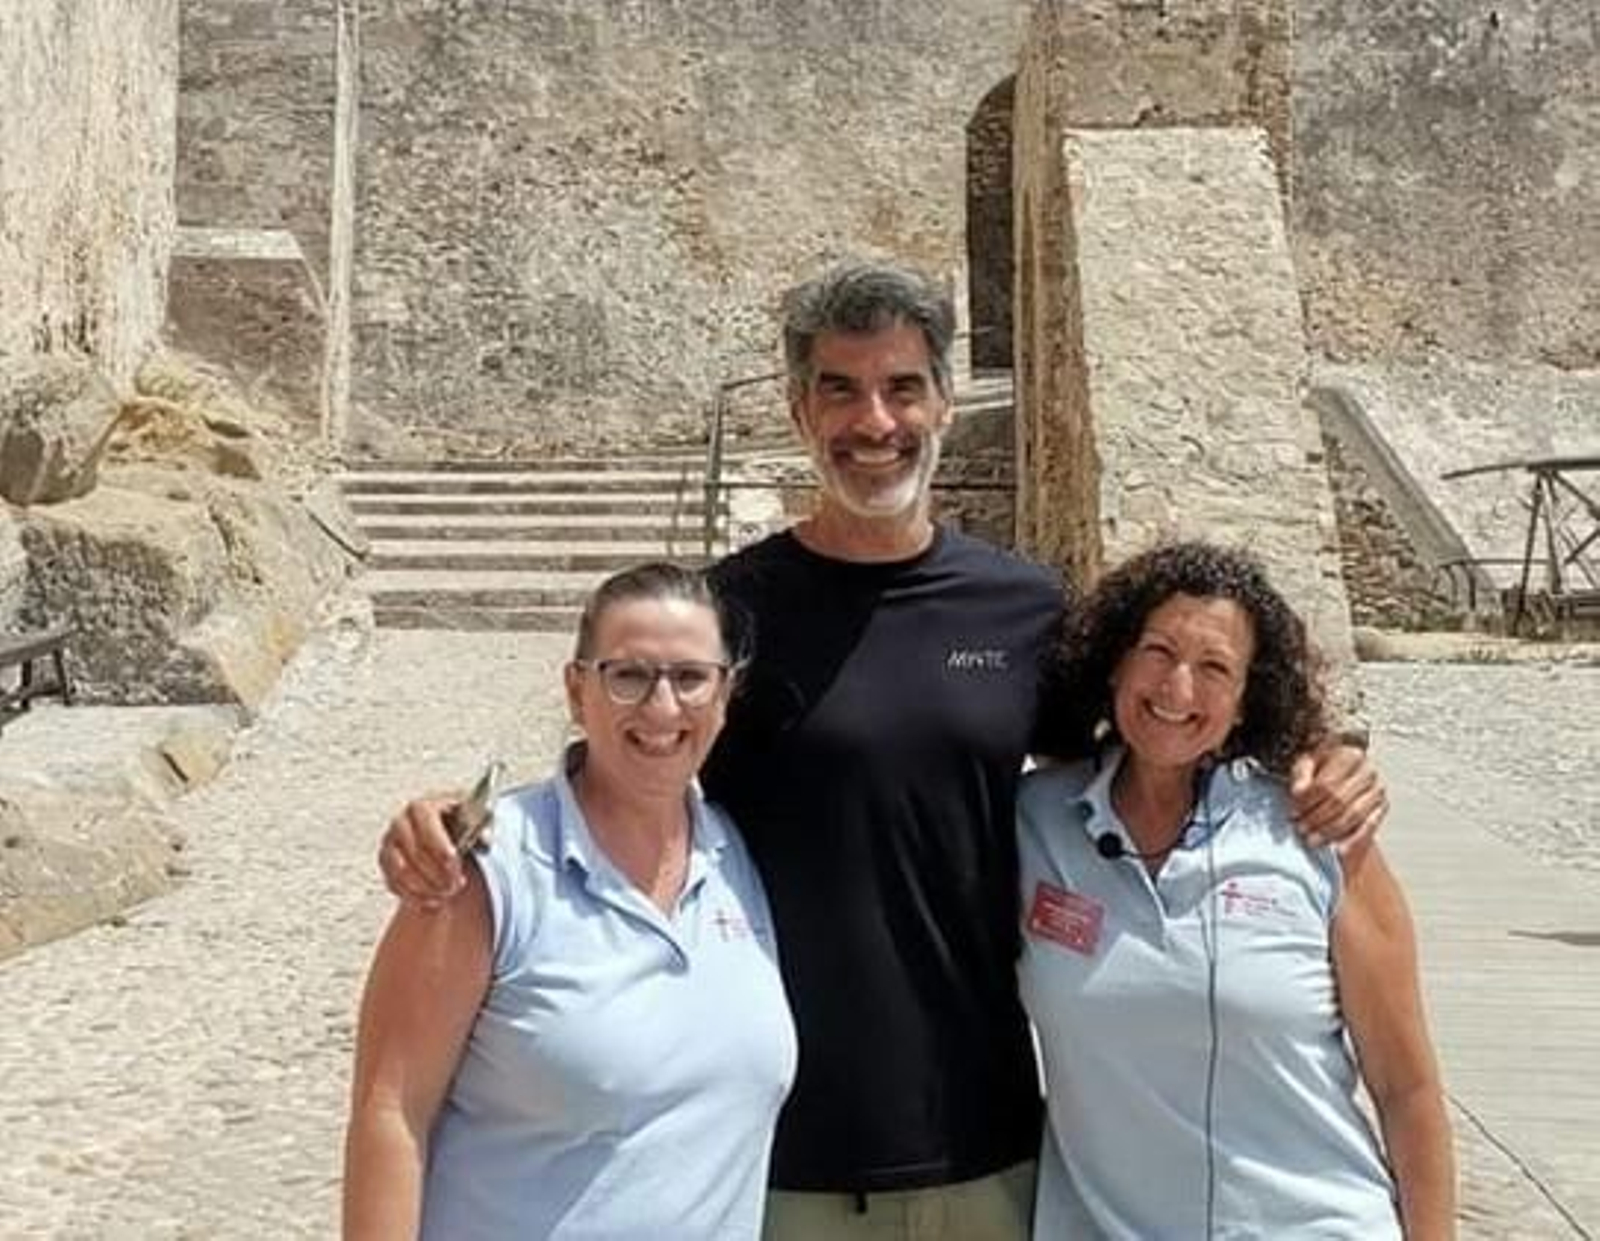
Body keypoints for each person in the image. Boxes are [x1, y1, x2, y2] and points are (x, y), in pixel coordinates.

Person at [377, 261, 1389, 1240]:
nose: (874, 422)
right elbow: (621, 741)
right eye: (841, 390)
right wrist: (455, 819)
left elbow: (1162, 732)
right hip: (781, 1165)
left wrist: (1314, 754)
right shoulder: (732, 608)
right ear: (796, 410)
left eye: (903, 387)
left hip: (988, 1153)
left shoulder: (1027, 607)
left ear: (945, 402)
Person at [343, 563, 797, 1240]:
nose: (663, 707)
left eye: (690, 676)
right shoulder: (486, 870)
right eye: (629, 674)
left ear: (726, 694)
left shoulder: (739, 856)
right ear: (576, 689)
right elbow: (391, 1112)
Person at [1019, 541, 1454, 1239]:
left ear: (1249, 698)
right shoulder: (1036, 822)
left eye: (1215, 667)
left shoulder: (1317, 832)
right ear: (1116, 660)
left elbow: (1407, 1090)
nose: (1177, 689)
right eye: (1158, 650)